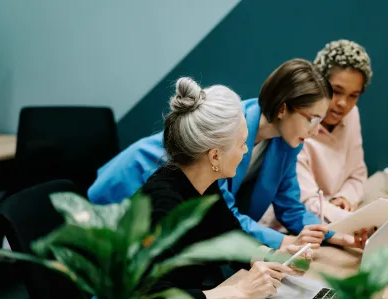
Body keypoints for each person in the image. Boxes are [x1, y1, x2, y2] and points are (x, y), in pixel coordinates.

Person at [88, 58, 371, 250]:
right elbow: (227, 214)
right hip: (131, 185)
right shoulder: (228, 138)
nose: (315, 129)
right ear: (283, 108)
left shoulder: (287, 142)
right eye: (311, 118)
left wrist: (336, 236)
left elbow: (291, 207)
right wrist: (283, 243)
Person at [142, 77, 307, 299]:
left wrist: (276, 257)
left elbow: (230, 237)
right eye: (241, 143)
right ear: (215, 156)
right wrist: (240, 292)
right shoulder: (162, 205)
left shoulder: (206, 184)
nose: (246, 150)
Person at [261, 40, 388, 239]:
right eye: (336, 91)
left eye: (353, 95)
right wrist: (367, 222)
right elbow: (304, 203)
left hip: (331, 223)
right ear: (318, 83)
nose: (343, 104)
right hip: (289, 230)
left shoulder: (352, 115)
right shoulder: (297, 127)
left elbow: (357, 173)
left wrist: (344, 197)